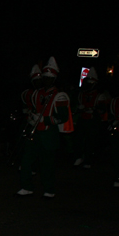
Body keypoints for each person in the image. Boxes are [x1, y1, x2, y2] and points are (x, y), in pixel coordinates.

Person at [16, 57, 73, 198]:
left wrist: (45, 119)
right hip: (35, 133)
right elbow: (32, 107)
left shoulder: (60, 96)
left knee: (47, 164)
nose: (46, 80)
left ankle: (49, 189)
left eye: (49, 77)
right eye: (45, 77)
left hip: (48, 134)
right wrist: (32, 117)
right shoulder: (37, 93)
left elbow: (63, 117)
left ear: (54, 79)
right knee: (26, 161)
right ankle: (26, 186)